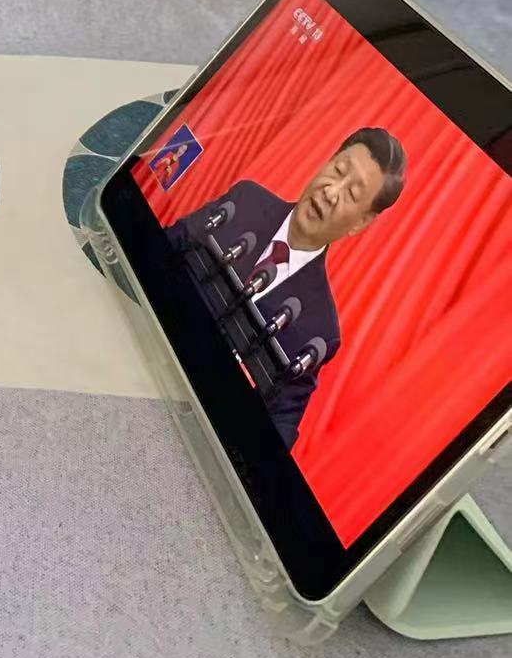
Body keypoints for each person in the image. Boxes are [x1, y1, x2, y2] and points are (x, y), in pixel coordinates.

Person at [166, 127, 408, 447]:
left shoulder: (318, 329)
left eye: (351, 194)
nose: (331, 192)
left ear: (361, 222)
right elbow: (166, 244)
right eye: (338, 170)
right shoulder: (246, 202)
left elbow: (278, 427)